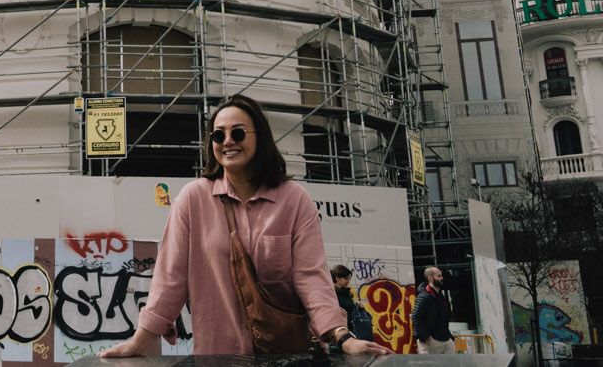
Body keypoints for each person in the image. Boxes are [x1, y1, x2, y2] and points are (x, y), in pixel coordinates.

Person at [102, 95, 391, 359]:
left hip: (285, 356)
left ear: (260, 137)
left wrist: (341, 336)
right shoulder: (193, 199)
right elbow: (170, 277)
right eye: (219, 134)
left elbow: (311, 278)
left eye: (238, 132)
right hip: (217, 356)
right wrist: (139, 341)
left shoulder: (294, 201)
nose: (228, 140)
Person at [412, 265, 455, 353]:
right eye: (438, 276)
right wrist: (426, 337)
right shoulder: (424, 296)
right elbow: (416, 317)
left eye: (441, 275)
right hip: (431, 341)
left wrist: (450, 336)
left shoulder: (440, 296)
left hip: (446, 340)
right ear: (430, 278)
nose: (442, 278)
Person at [329, 265, 375, 343]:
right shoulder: (333, 293)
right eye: (346, 278)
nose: (348, 281)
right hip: (340, 331)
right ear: (337, 278)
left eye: (349, 278)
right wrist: (354, 306)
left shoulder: (345, 292)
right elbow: (343, 308)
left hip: (348, 329)